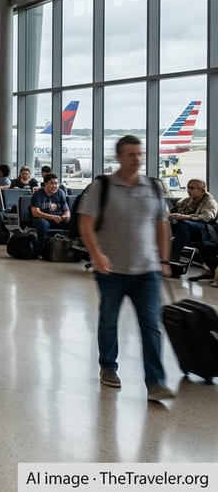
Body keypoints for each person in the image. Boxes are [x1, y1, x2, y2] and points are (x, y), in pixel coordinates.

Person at [78, 136, 175, 401]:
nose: (136, 158)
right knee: (109, 320)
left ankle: (155, 382)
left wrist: (164, 260)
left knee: (151, 325)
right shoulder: (104, 187)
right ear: (119, 157)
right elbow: (86, 222)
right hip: (112, 270)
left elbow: (162, 225)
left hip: (147, 270)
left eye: (139, 153)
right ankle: (108, 366)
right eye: (130, 154)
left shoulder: (153, 187)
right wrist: (96, 254)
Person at [167, 179, 217, 276]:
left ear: (202, 190)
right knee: (172, 224)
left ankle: (175, 261)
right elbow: (177, 208)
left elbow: (207, 217)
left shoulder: (210, 202)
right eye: (188, 188)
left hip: (205, 230)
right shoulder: (187, 201)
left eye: (192, 188)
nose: (189, 190)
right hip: (187, 229)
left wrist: (185, 217)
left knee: (185, 225)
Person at [29, 173, 70, 250]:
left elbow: (66, 210)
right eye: (52, 183)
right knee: (42, 224)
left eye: (56, 183)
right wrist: (52, 217)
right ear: (45, 184)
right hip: (40, 218)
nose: (54, 186)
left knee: (73, 222)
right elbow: (36, 213)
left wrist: (66, 216)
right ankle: (41, 249)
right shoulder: (38, 194)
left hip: (57, 218)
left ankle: (68, 248)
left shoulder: (60, 193)